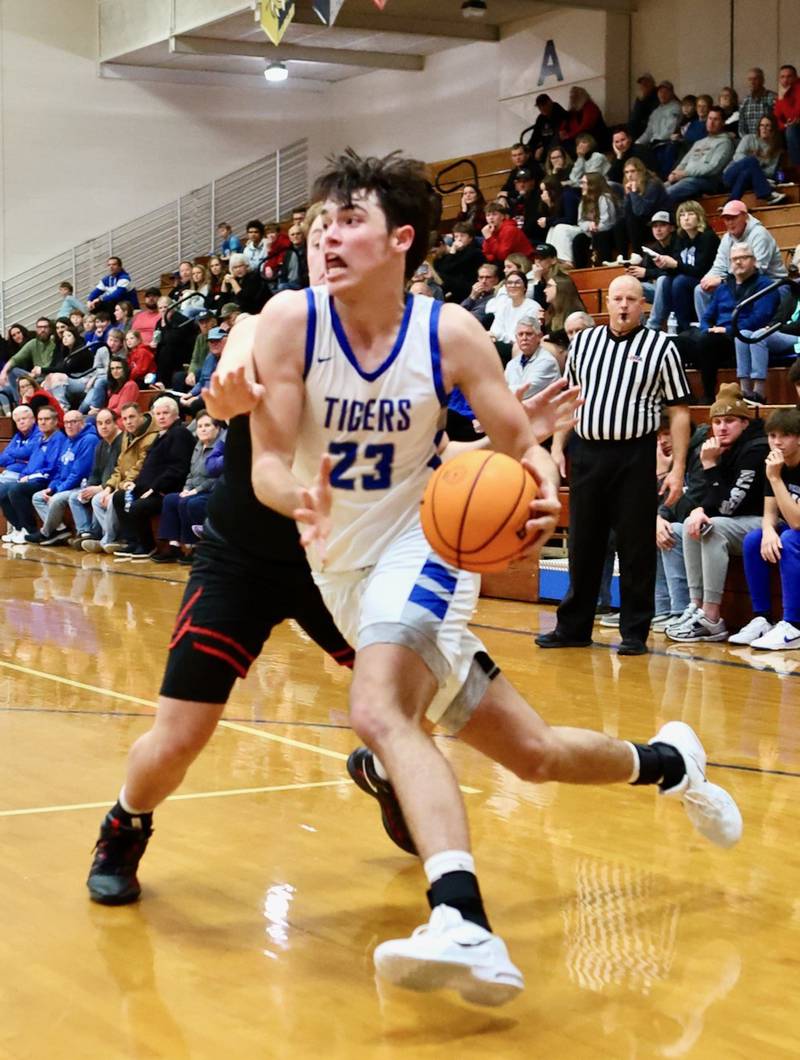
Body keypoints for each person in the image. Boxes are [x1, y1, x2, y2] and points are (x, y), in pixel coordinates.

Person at [86, 186, 740, 1000]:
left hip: (413, 548)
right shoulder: (283, 321)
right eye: (319, 223)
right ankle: (670, 762)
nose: (326, 236)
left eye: (348, 221)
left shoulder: (450, 332)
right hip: (283, 554)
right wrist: (299, 492)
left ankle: (462, 921)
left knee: (380, 709)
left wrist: (537, 481)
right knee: (529, 755)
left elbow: (515, 441)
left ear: (401, 239)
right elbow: (262, 465)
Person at [539, 274, 692, 655]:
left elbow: (679, 412)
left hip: (634, 455)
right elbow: (568, 401)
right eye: (617, 298)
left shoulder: (661, 347)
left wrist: (676, 470)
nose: (624, 306)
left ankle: (635, 633)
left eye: (632, 299)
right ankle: (572, 627)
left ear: (643, 305)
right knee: (583, 542)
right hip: (587, 453)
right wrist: (558, 447)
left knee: (636, 545)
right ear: (607, 302)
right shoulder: (585, 343)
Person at [664, 385, 768, 643]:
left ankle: (712, 618)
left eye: (730, 421)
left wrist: (711, 466)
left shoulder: (756, 448)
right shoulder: (720, 447)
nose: (722, 428)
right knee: (693, 522)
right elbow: (707, 501)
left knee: (713, 527)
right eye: (717, 421)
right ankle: (696, 607)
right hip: (737, 519)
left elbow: (727, 506)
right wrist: (700, 510)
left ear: (745, 422)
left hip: (765, 521)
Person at [728, 408, 800, 650]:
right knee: (753, 539)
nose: (777, 442)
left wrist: (776, 478)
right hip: (794, 527)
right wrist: (768, 532)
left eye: (785, 435)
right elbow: (769, 514)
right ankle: (763, 618)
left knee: (789, 538)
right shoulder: (774, 465)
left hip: (797, 528)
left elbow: (797, 523)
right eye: (772, 435)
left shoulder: (778, 470)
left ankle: (794, 626)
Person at [677, 241, 779, 403]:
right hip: (715, 335)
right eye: (734, 259)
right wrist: (707, 329)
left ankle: (709, 395)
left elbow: (760, 318)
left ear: (754, 260)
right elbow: (707, 317)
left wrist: (727, 330)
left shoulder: (765, 286)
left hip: (740, 338)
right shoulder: (724, 287)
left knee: (707, 343)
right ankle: (685, 395)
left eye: (744, 257)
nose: (738, 262)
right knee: (678, 342)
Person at [82, 402, 157, 554]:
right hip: (125, 483)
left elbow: (138, 468)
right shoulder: (127, 436)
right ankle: (113, 537)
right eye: (125, 418)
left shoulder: (150, 437)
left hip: (139, 484)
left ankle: (109, 539)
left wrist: (117, 488)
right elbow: (120, 466)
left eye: (132, 417)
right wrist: (109, 487)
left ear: (141, 416)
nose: (128, 421)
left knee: (116, 498)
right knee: (98, 499)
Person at [694, 199, 786, 321]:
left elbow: (757, 270)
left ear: (745, 217)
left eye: (733, 218)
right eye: (726, 219)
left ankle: (739, 331)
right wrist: (708, 278)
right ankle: (708, 330)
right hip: (737, 282)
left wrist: (722, 281)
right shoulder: (727, 238)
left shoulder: (760, 234)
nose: (729, 222)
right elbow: (720, 265)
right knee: (700, 290)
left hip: (771, 283)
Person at [153, 411, 223, 564]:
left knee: (190, 502)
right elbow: (191, 474)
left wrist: (194, 491)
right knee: (171, 499)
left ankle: (194, 547)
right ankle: (174, 546)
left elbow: (215, 478)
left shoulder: (219, 447)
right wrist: (186, 488)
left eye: (207, 425)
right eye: (200, 426)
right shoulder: (198, 446)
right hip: (194, 490)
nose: (203, 429)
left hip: (210, 492)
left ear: (217, 428)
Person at [647, 200, 719, 333]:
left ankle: (684, 327)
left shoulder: (708, 238)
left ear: (699, 216)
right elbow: (677, 267)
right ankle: (670, 319)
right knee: (665, 280)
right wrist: (664, 265)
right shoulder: (681, 238)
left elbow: (701, 270)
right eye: (682, 215)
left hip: (706, 279)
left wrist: (674, 264)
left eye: (690, 214)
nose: (685, 218)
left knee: (679, 282)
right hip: (688, 278)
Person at [27, 411, 98, 544]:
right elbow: (59, 470)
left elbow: (78, 473)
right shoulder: (68, 441)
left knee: (57, 499)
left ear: (82, 423)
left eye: (73, 422)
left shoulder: (89, 440)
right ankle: (60, 530)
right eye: (66, 422)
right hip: (66, 485)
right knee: (38, 497)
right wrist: (51, 488)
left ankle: (46, 532)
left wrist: (58, 491)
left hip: (82, 485)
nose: (69, 426)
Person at [1, 406, 67, 541]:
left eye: (47, 419)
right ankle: (19, 528)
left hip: (46, 480)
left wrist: (29, 477)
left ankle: (30, 529)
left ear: (55, 421)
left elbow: (51, 468)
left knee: (15, 490)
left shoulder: (58, 439)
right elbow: (30, 464)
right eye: (40, 419)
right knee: (2, 490)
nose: (42, 422)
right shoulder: (40, 439)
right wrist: (22, 476)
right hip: (32, 478)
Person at [67, 408, 123, 546]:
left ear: (116, 423)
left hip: (115, 486)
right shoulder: (100, 445)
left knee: (98, 498)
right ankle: (86, 532)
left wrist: (101, 488)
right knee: (75, 497)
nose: (103, 426)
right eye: (100, 423)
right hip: (103, 486)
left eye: (107, 422)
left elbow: (120, 472)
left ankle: (112, 536)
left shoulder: (123, 442)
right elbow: (95, 472)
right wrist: (89, 487)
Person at [665, 107, 734, 204]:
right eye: (709, 119)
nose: (711, 122)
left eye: (716, 119)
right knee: (658, 188)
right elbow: (684, 162)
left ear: (723, 122)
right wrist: (674, 174)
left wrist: (685, 173)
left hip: (706, 181)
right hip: (686, 177)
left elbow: (712, 168)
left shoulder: (725, 143)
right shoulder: (699, 142)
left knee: (668, 193)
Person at [626, 211, 682, 331]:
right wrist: (633, 272)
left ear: (672, 228)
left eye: (662, 225)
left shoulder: (679, 243)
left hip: (677, 288)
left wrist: (647, 273)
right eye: (655, 226)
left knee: (662, 280)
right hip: (659, 292)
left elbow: (677, 270)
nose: (658, 229)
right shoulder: (652, 248)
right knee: (631, 286)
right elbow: (645, 274)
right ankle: (637, 324)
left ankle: (653, 325)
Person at [723, 115, 785, 204]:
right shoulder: (749, 138)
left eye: (767, 126)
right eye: (761, 125)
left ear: (773, 129)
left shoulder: (776, 149)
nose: (764, 128)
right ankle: (767, 194)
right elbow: (737, 157)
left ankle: (730, 202)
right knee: (752, 161)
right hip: (730, 174)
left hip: (748, 180)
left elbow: (770, 172)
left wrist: (756, 172)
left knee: (746, 173)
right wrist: (755, 164)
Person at [0, 405, 40, 543]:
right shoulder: (17, 436)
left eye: (24, 419)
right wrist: (18, 457)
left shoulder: (39, 434)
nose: (21, 422)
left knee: (8, 490)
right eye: (18, 420)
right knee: (1, 490)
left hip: (28, 475)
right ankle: (18, 528)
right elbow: (2, 459)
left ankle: (27, 528)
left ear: (33, 419)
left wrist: (15, 455)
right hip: (11, 473)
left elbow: (29, 453)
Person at [620, 157, 670, 254]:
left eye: (632, 171)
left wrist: (633, 193)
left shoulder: (652, 184)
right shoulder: (630, 185)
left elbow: (641, 211)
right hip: (643, 222)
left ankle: (637, 253)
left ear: (641, 171)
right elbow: (626, 212)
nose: (629, 175)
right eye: (626, 172)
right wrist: (628, 195)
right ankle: (623, 257)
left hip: (658, 222)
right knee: (619, 224)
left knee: (632, 220)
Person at [504, 316, 560, 398]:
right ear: (516, 338)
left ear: (539, 337)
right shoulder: (511, 364)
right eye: (520, 334)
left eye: (529, 334)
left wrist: (499, 392)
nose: (524, 338)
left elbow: (525, 392)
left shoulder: (547, 361)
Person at [433, 223, 485, 305]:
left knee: (441, 278)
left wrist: (452, 251)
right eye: (456, 236)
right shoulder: (459, 251)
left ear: (470, 238)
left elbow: (448, 269)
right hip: (458, 287)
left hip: (469, 287)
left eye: (462, 236)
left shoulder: (474, 252)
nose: (459, 239)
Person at [481, 200, 533, 265]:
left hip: (523, 263)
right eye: (488, 215)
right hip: (509, 263)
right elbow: (486, 254)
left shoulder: (509, 230)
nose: (491, 218)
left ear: (502, 216)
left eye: (494, 214)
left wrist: (489, 237)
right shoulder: (492, 230)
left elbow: (502, 256)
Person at [525, 95, 567, 161]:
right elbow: (535, 136)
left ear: (550, 102)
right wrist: (527, 149)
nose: (542, 108)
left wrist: (543, 148)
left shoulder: (561, 115)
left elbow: (558, 136)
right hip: (544, 147)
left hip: (558, 148)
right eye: (539, 106)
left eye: (543, 105)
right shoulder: (541, 118)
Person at [738, 67, 778, 137]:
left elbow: (778, 123)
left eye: (755, 79)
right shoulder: (745, 102)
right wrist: (746, 138)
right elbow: (741, 126)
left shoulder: (772, 98)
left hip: (769, 138)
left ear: (762, 80)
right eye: (750, 79)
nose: (752, 82)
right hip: (750, 139)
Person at [774, 64, 800, 165]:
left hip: (795, 127)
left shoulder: (798, 89)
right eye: (782, 77)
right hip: (789, 126)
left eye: (789, 76)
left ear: (796, 77)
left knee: (791, 131)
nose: (785, 80)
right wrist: (784, 125)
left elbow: (794, 116)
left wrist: (782, 99)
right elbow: (776, 118)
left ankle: (797, 169)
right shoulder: (783, 91)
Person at [629, 74, 658, 141]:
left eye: (646, 83)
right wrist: (640, 100)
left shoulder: (659, 94)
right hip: (642, 125)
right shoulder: (642, 97)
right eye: (642, 84)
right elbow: (635, 116)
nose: (643, 86)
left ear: (652, 84)